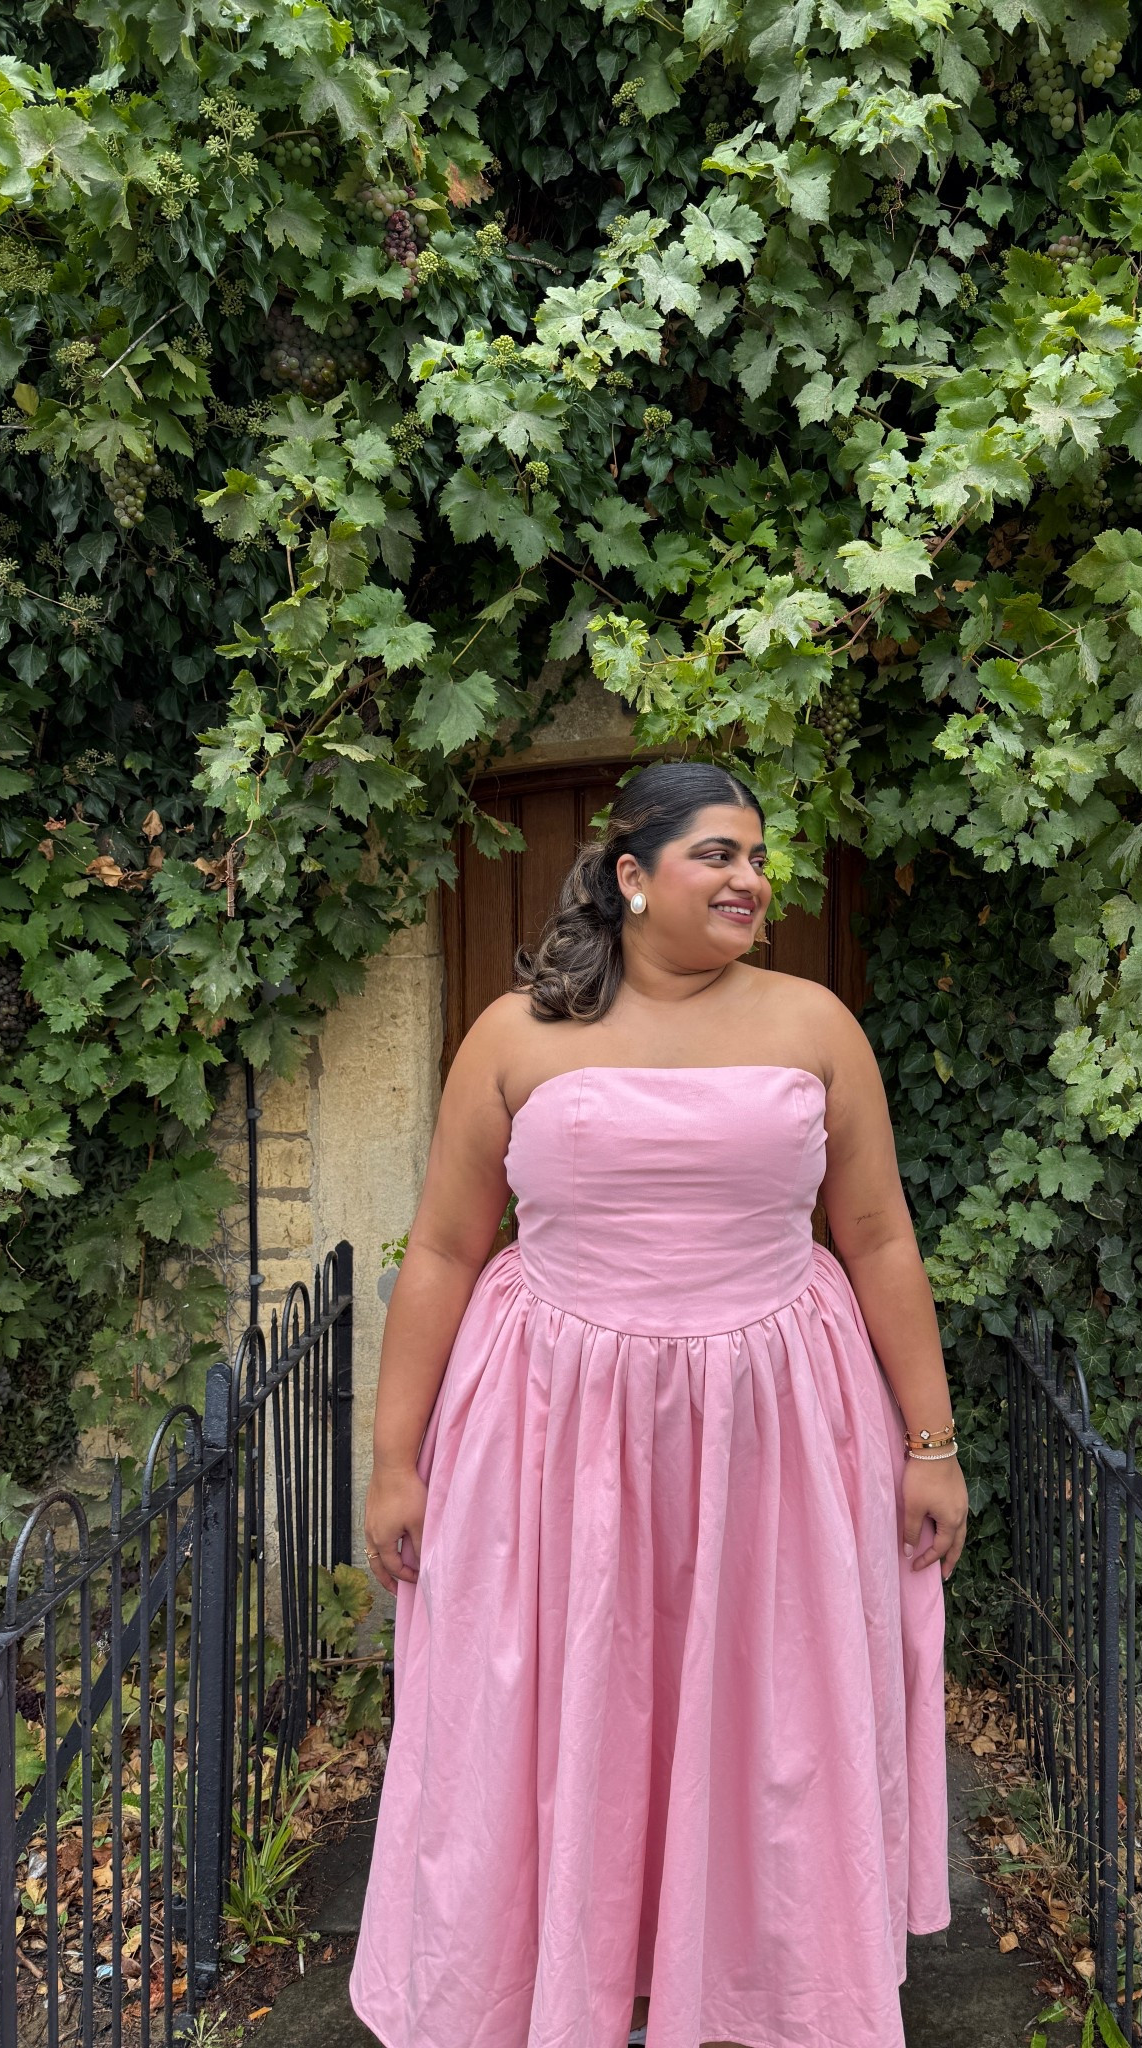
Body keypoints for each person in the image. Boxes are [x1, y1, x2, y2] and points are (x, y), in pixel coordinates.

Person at [349, 759, 968, 2048]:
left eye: (758, 858)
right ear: (632, 877)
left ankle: (750, 1983)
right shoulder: (517, 1035)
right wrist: (396, 1458)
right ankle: (562, 1983)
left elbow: (881, 1239)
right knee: (569, 1694)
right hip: (554, 1427)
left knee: (765, 1701)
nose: (752, 879)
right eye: (719, 856)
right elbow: (446, 1251)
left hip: (777, 1424)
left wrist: (931, 1444)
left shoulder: (815, 1026)